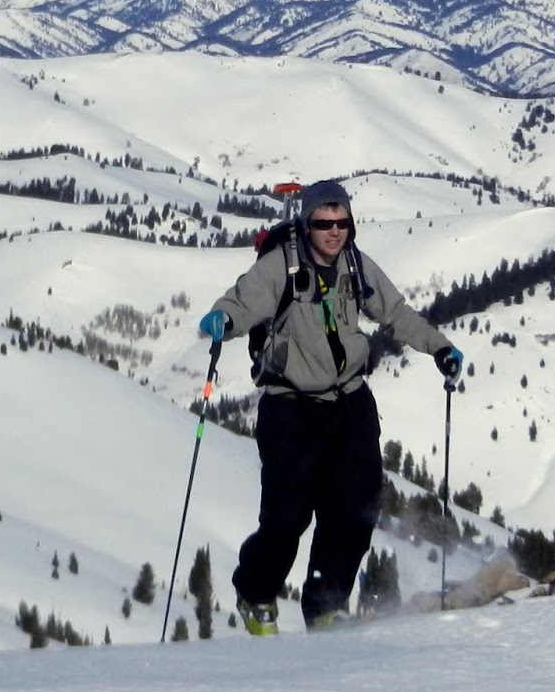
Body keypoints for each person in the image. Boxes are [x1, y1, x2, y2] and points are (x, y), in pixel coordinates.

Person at [198, 179, 463, 634]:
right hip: (291, 407)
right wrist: (222, 319)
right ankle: (256, 593)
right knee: (287, 516)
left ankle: (326, 604)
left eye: (342, 222)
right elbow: (241, 301)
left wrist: (439, 347)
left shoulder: (355, 264)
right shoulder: (281, 265)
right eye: (324, 223)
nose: (334, 231)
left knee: (354, 508)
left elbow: (396, 313)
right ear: (307, 223)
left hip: (349, 402)